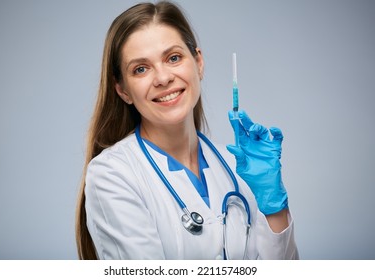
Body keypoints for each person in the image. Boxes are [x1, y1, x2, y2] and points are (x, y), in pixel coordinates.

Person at [75, 1, 299, 260]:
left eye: (173, 58)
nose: (162, 78)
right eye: (141, 69)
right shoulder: (112, 176)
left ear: (199, 62)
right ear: (123, 90)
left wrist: (274, 209)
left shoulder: (239, 173)